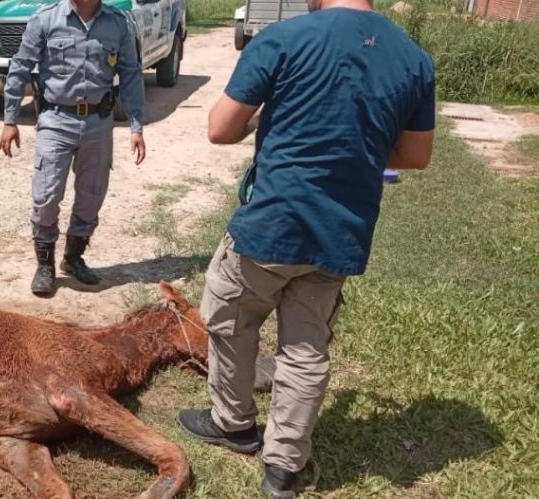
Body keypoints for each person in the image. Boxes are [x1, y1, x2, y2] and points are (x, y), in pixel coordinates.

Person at [175, 0, 435, 496]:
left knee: (231, 320)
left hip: (271, 225)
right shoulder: (412, 57)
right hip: (341, 231)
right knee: (306, 348)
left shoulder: (284, 39)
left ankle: (234, 424)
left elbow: (220, 129)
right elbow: (417, 156)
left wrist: (265, 123)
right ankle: (283, 468)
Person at [0, 0, 146, 297]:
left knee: (92, 195)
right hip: (56, 120)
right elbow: (21, 67)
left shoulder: (118, 23)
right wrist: (10, 119)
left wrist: (136, 125)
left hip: (99, 122)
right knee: (46, 195)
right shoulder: (45, 19)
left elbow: (131, 73)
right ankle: (45, 265)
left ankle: (74, 257)